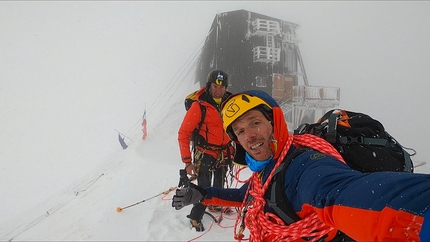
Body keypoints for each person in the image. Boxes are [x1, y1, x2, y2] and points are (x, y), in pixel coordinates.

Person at [173, 89, 430, 241]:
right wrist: (203, 194)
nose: (249, 135)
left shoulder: (305, 167)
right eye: (239, 131)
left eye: (255, 122)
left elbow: (344, 194)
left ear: (274, 122)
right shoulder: (268, 170)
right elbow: (248, 196)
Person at [177, 69, 234, 232]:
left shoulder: (230, 103)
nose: (219, 90)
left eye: (222, 87)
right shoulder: (199, 106)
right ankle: (195, 217)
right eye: (215, 86)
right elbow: (183, 134)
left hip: (224, 152)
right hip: (206, 153)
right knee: (203, 188)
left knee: (220, 183)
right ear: (209, 86)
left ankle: (216, 204)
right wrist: (187, 162)